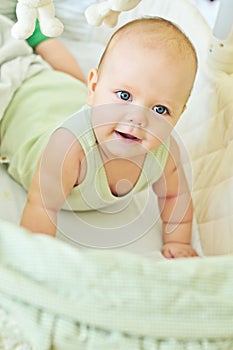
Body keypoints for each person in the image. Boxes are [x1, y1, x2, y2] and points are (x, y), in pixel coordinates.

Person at [1, 17, 198, 258]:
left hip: (63, 98)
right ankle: (36, 33)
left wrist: (179, 243)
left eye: (160, 110)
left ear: (178, 115)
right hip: (20, 101)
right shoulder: (68, 147)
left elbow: (175, 196)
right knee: (48, 73)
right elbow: (42, 205)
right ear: (94, 89)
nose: (137, 118)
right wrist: (35, 261)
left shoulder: (165, 153)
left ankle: (38, 38)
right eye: (124, 95)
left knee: (68, 82)